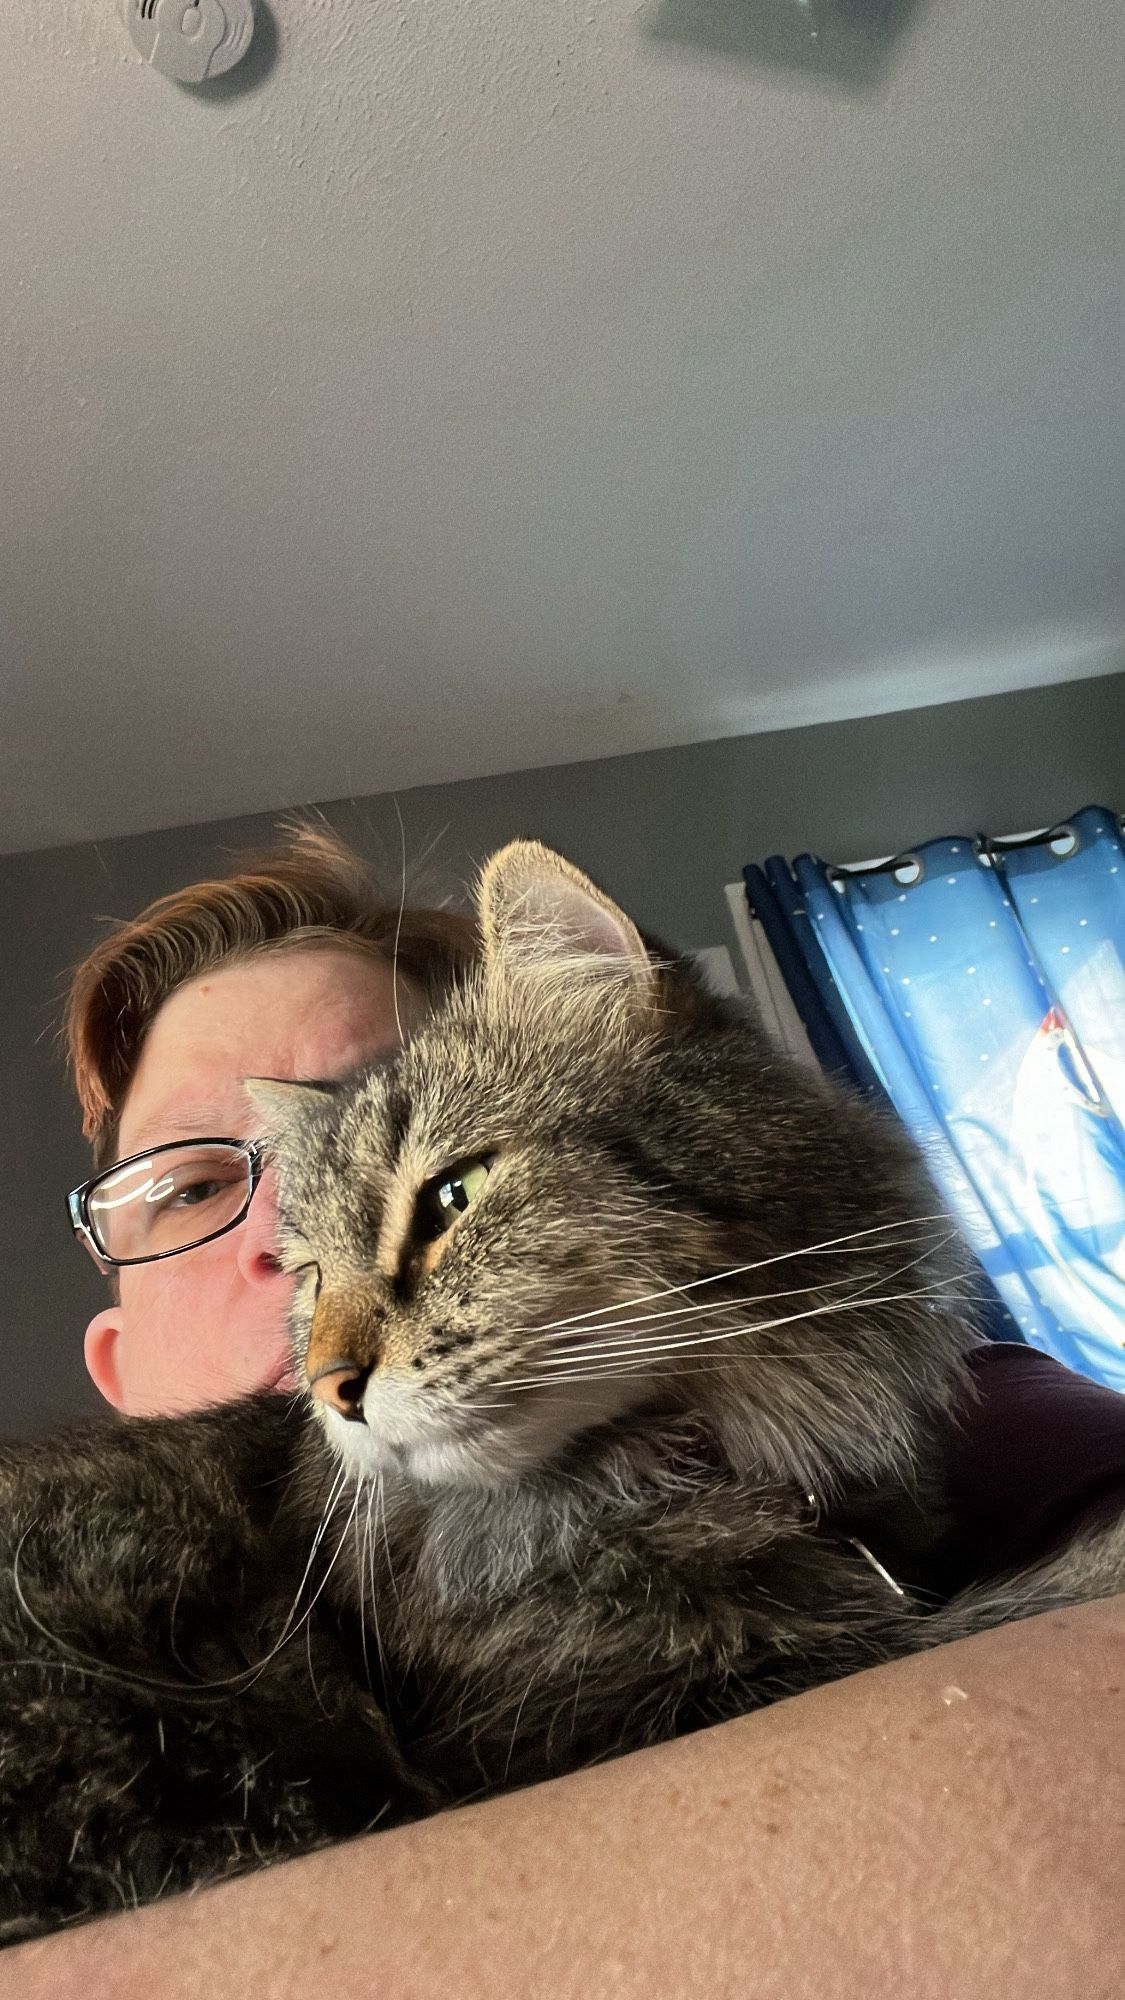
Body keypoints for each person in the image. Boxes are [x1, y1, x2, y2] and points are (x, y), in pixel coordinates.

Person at [12, 823, 1123, 1997]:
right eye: (191, 1187)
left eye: (442, 1188)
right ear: (114, 1363)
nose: (341, 1351)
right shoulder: (247, 1561)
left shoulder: (1005, 1414)